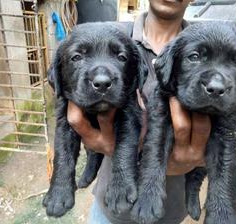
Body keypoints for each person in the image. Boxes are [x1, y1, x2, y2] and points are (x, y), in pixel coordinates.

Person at [67, 0, 211, 223]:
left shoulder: (208, 46)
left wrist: (198, 161)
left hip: (168, 211)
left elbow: (223, 129)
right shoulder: (109, 36)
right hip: (110, 208)